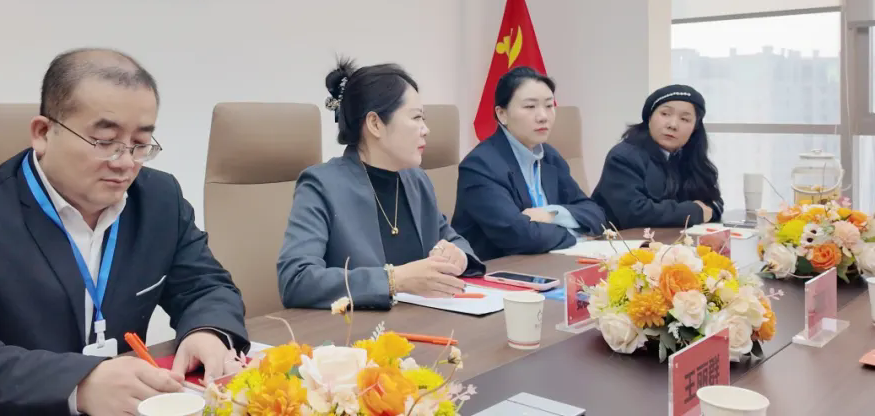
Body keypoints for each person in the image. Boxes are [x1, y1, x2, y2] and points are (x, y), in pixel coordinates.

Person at [0, 49, 249, 416]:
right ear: (43, 133)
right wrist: (79, 385)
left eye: (140, 144)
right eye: (105, 141)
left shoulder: (159, 199)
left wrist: (208, 331)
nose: (126, 163)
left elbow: (206, 287)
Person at [277, 58, 485, 309]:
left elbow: (451, 238)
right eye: (416, 118)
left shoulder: (416, 180)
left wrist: (459, 256)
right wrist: (395, 280)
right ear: (375, 124)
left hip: (422, 322)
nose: (426, 130)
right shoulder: (322, 186)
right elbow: (296, 279)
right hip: (356, 329)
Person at [453, 67, 606, 258]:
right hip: (501, 269)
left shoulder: (549, 156)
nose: (543, 116)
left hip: (549, 262)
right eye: (530, 107)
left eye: (549, 105)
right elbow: (519, 236)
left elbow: (595, 214)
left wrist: (551, 214)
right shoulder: (480, 165)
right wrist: (577, 233)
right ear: (502, 114)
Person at [592, 84, 724, 229]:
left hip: (670, 239)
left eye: (684, 119)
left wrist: (707, 210)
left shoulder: (688, 157)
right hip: (621, 240)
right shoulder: (623, 157)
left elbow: (714, 203)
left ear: (695, 128)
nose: (673, 125)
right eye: (665, 114)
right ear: (649, 117)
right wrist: (695, 212)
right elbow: (635, 214)